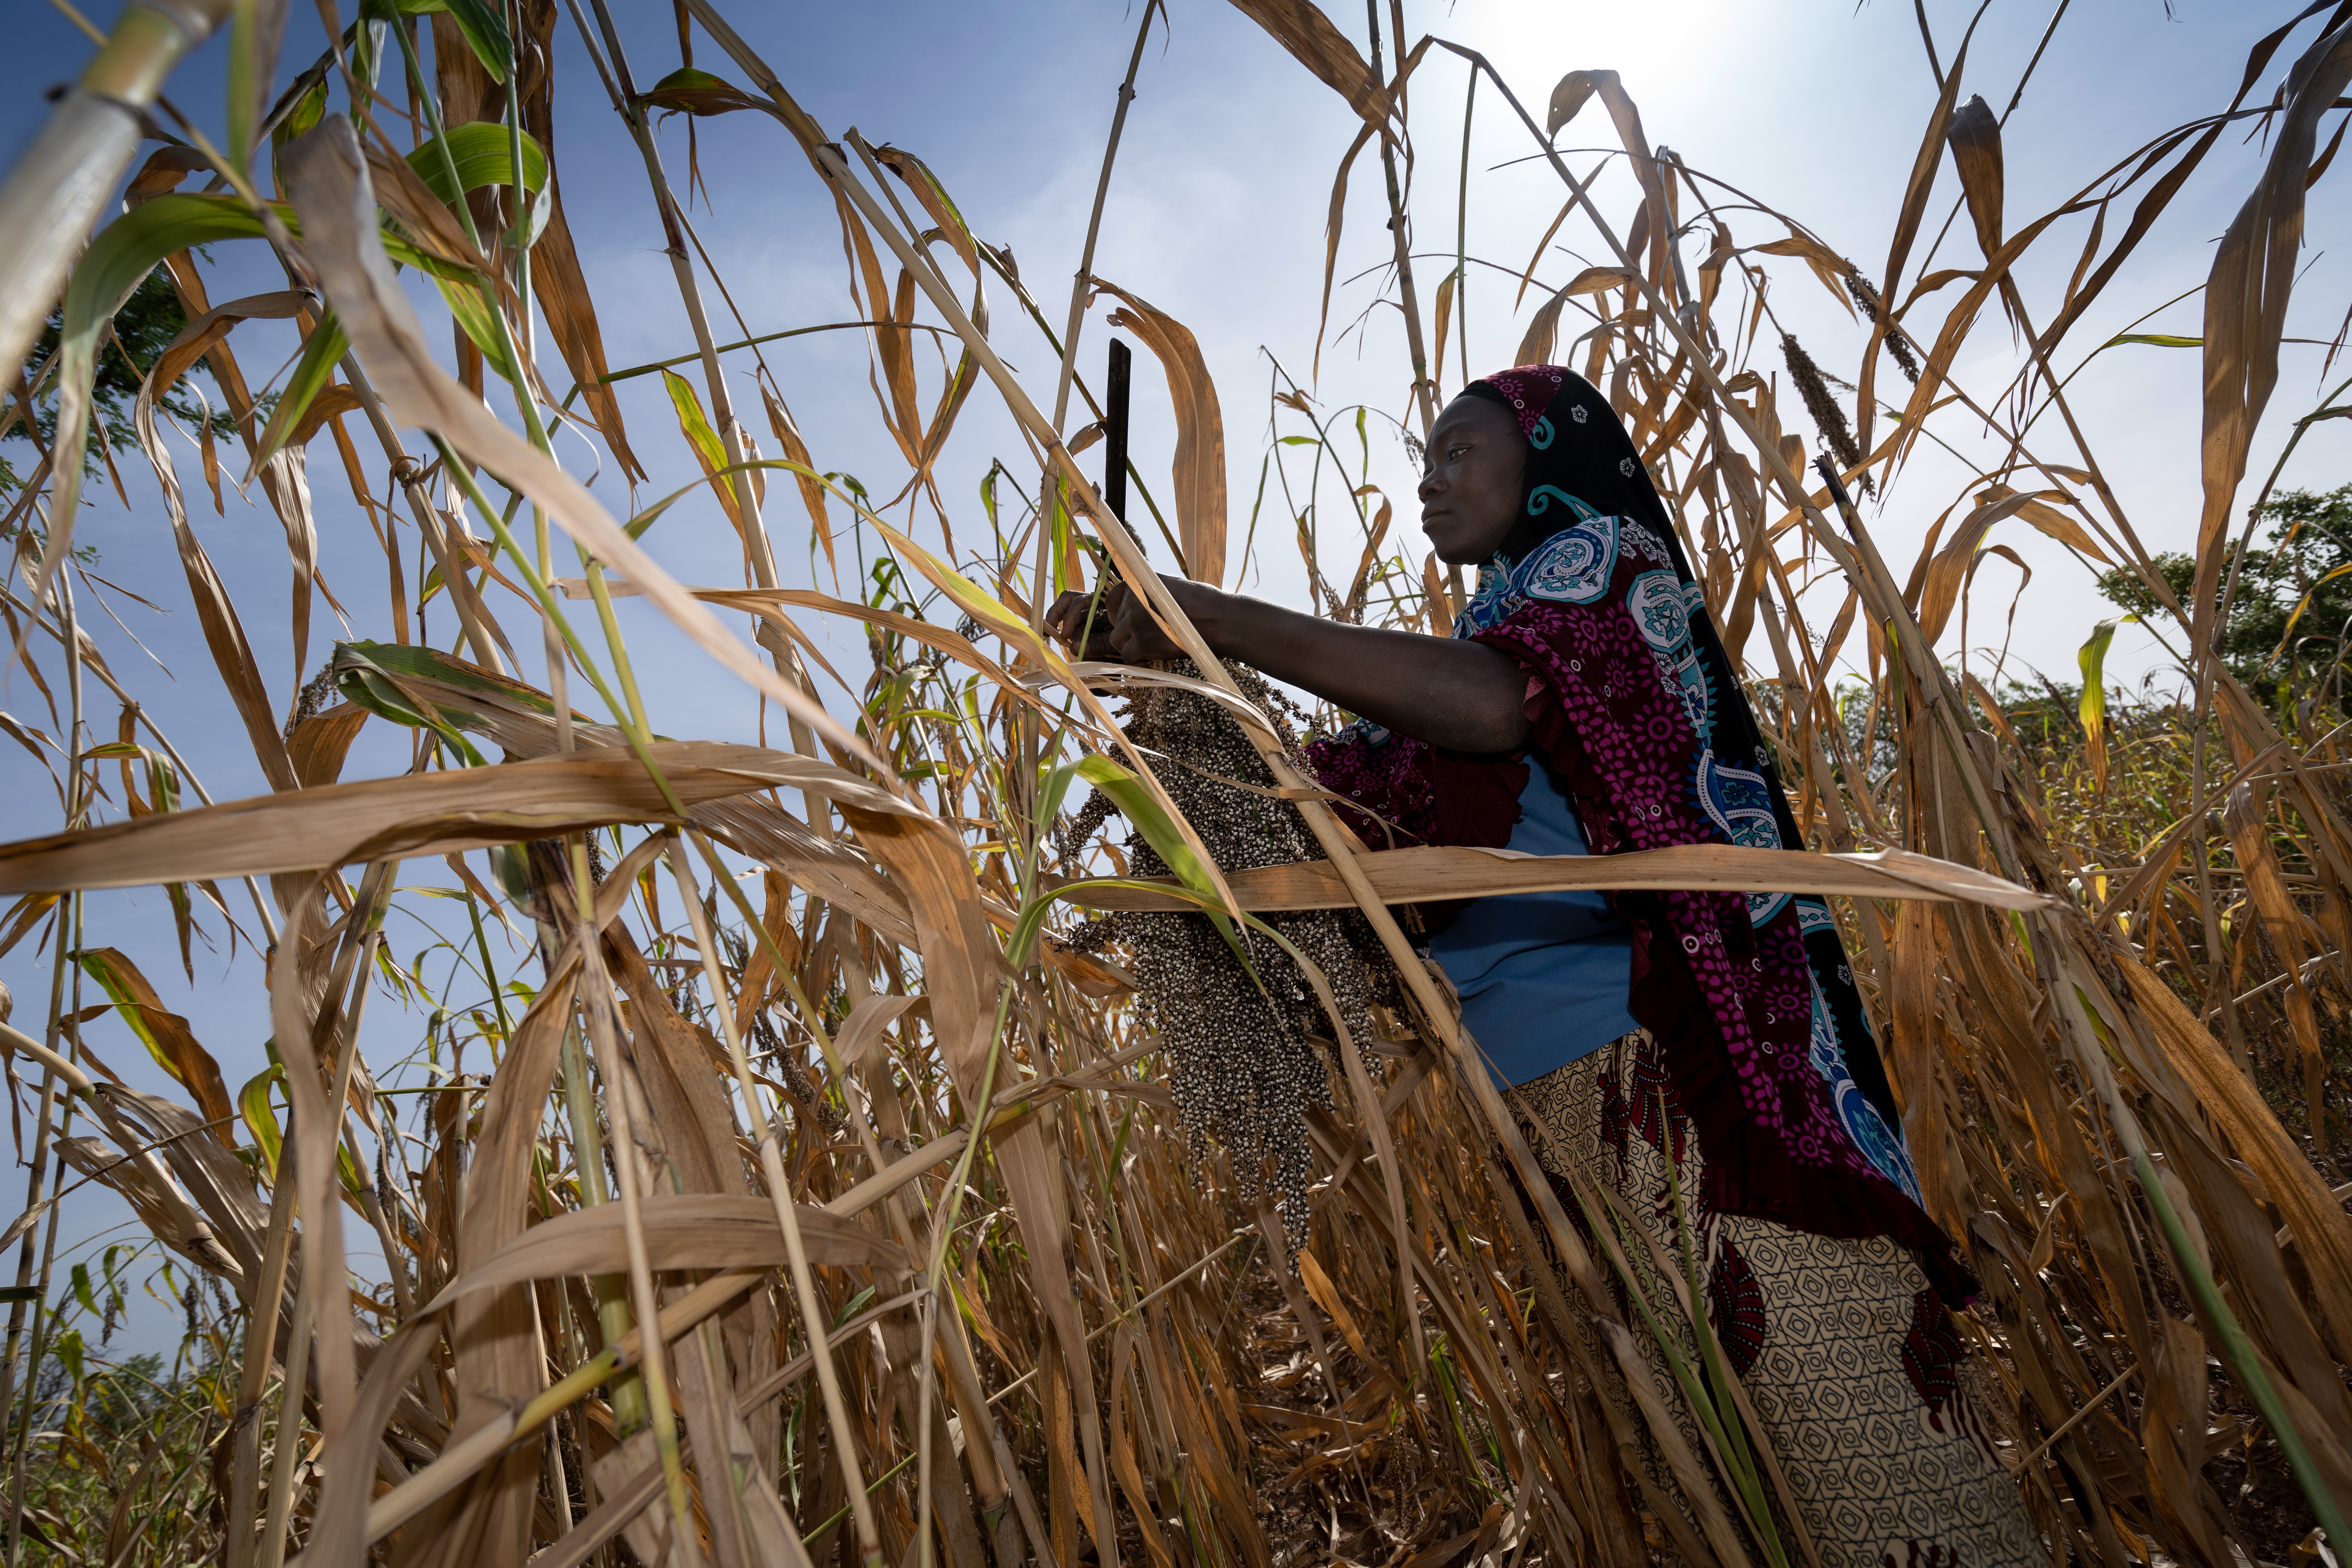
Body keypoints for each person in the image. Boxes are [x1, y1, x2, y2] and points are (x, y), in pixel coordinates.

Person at [1047, 365, 2039, 1568]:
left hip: (1691, 1086)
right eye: (1426, 457)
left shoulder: (1608, 574)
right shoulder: (1458, 656)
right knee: (1728, 1469)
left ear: (1547, 456)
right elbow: (1342, 841)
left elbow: (1498, 709)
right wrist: (1173, 712)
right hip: (1565, 1108)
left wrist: (1208, 615)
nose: (1432, 475)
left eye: (1461, 449)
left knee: (1857, 1443)